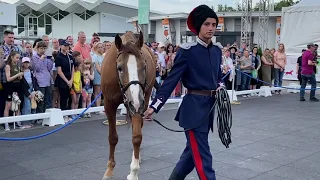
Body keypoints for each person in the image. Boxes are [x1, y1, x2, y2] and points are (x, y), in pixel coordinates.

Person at [144, 5, 223, 180]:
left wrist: (221, 86)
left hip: (209, 108)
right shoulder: (188, 52)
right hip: (193, 110)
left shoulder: (217, 51)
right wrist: (154, 106)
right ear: (198, 27)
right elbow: (171, 81)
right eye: (206, 24)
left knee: (191, 153)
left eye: (213, 24)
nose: (211, 28)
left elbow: (218, 77)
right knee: (203, 156)